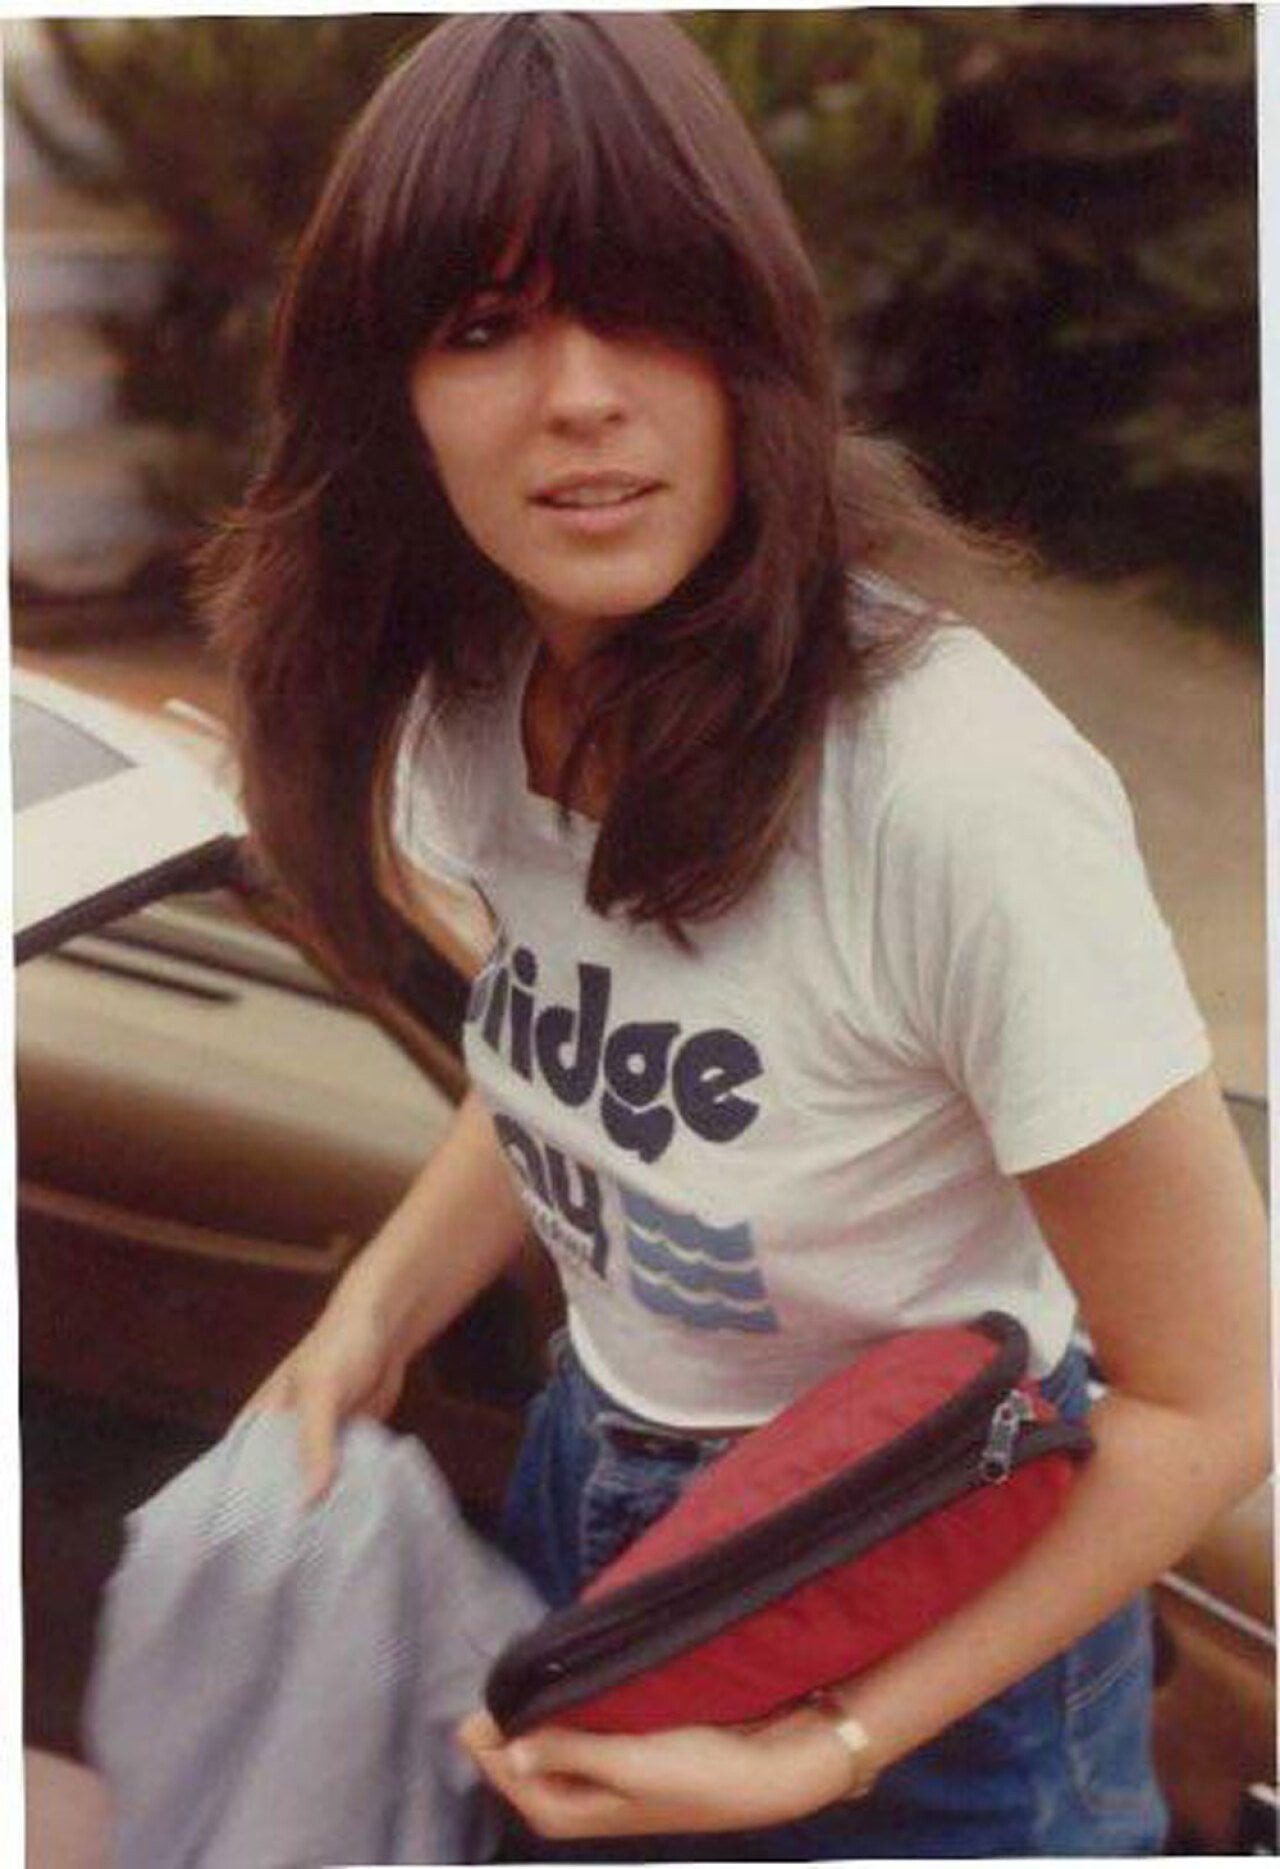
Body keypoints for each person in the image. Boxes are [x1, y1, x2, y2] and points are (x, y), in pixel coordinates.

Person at [201, 13, 1269, 1859]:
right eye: (482, 328)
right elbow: (574, 1062)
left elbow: (1216, 1392)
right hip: (598, 1489)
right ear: (390, 392)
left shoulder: (952, 793)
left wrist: (831, 1745)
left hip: (928, 1579)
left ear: (759, 344)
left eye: (648, 307)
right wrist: (365, 1320)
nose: (580, 395)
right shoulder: (467, 686)